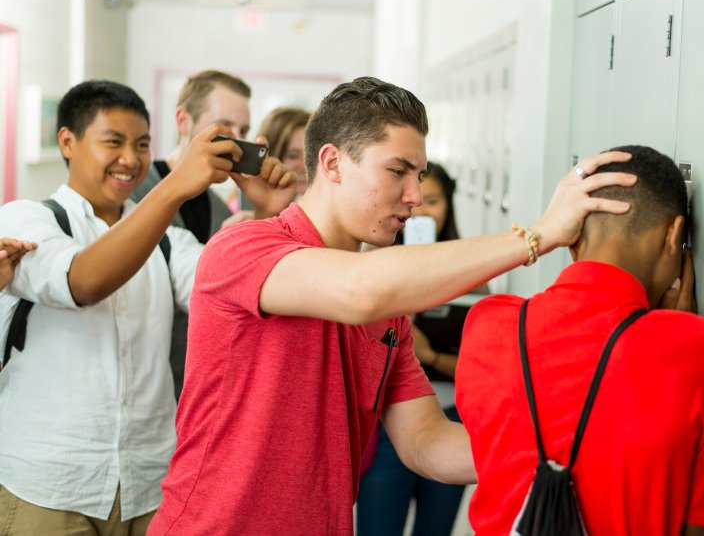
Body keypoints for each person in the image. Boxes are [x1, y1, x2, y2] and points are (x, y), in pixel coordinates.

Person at [148, 76, 636, 536]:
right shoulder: (242, 248)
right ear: (332, 163)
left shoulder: (388, 314)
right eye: (398, 171)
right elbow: (359, 290)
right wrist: (539, 235)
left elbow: (427, 441)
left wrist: (561, 445)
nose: (415, 196)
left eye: (418, 175)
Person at [0, 79, 293, 535]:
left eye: (141, 144)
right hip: (49, 488)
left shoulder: (171, 243)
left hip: (149, 486)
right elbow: (82, 282)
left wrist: (266, 216)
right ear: (68, 142)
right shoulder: (28, 219)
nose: (131, 159)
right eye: (113, 142)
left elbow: (240, 296)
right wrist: (175, 186)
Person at [455, 145, 704, 536]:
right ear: (674, 235)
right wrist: (675, 329)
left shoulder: (487, 324)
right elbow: (699, 525)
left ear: (571, 240)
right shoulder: (701, 347)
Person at [131, 69, 297, 398]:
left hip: (195, 384)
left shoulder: (221, 209)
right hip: (142, 383)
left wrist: (265, 215)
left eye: (244, 130)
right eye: (224, 127)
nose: (237, 141)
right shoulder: (136, 193)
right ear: (183, 120)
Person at [357, 162, 476, 535]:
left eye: (434, 201)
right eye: (415, 201)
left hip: (452, 417)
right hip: (384, 423)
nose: (422, 210)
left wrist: (431, 356)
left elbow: (479, 372)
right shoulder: (370, 271)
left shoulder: (472, 276)